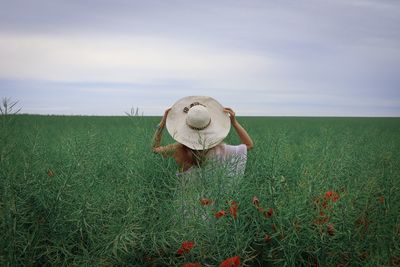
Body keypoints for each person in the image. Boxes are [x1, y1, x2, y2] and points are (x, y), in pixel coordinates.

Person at [152, 96, 253, 177]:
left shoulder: (178, 150)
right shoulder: (221, 150)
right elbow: (248, 145)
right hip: (212, 201)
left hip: (186, 201)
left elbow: (155, 148)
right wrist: (234, 123)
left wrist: (162, 123)